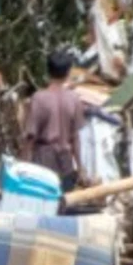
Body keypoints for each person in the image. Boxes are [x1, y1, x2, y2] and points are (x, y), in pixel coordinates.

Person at [23, 48, 93, 190]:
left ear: (48, 71)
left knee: (41, 206)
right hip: (65, 164)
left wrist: (23, 166)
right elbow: (75, 138)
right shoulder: (74, 99)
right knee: (63, 205)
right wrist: (80, 168)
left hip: (43, 164)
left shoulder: (39, 98)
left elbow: (30, 137)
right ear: (68, 73)